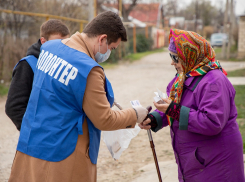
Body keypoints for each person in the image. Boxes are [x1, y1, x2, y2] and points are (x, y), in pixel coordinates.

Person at [8, 11, 148, 182]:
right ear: (102, 39)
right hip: (63, 157)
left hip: (31, 145)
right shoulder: (88, 70)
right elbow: (104, 119)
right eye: (111, 48)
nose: (109, 53)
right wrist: (135, 114)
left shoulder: (49, 48)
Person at [139, 29, 245, 182]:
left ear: (190, 54)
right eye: (171, 56)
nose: (172, 62)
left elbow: (212, 122)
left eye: (175, 57)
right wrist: (155, 118)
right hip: (198, 160)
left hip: (217, 163)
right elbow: (175, 105)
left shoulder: (214, 81)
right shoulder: (184, 77)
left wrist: (173, 110)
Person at [5, 19, 70, 131]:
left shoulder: (65, 64)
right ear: (43, 41)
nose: (62, 48)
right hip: (41, 140)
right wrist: (36, 132)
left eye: (66, 43)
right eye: (57, 43)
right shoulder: (27, 65)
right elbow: (14, 107)